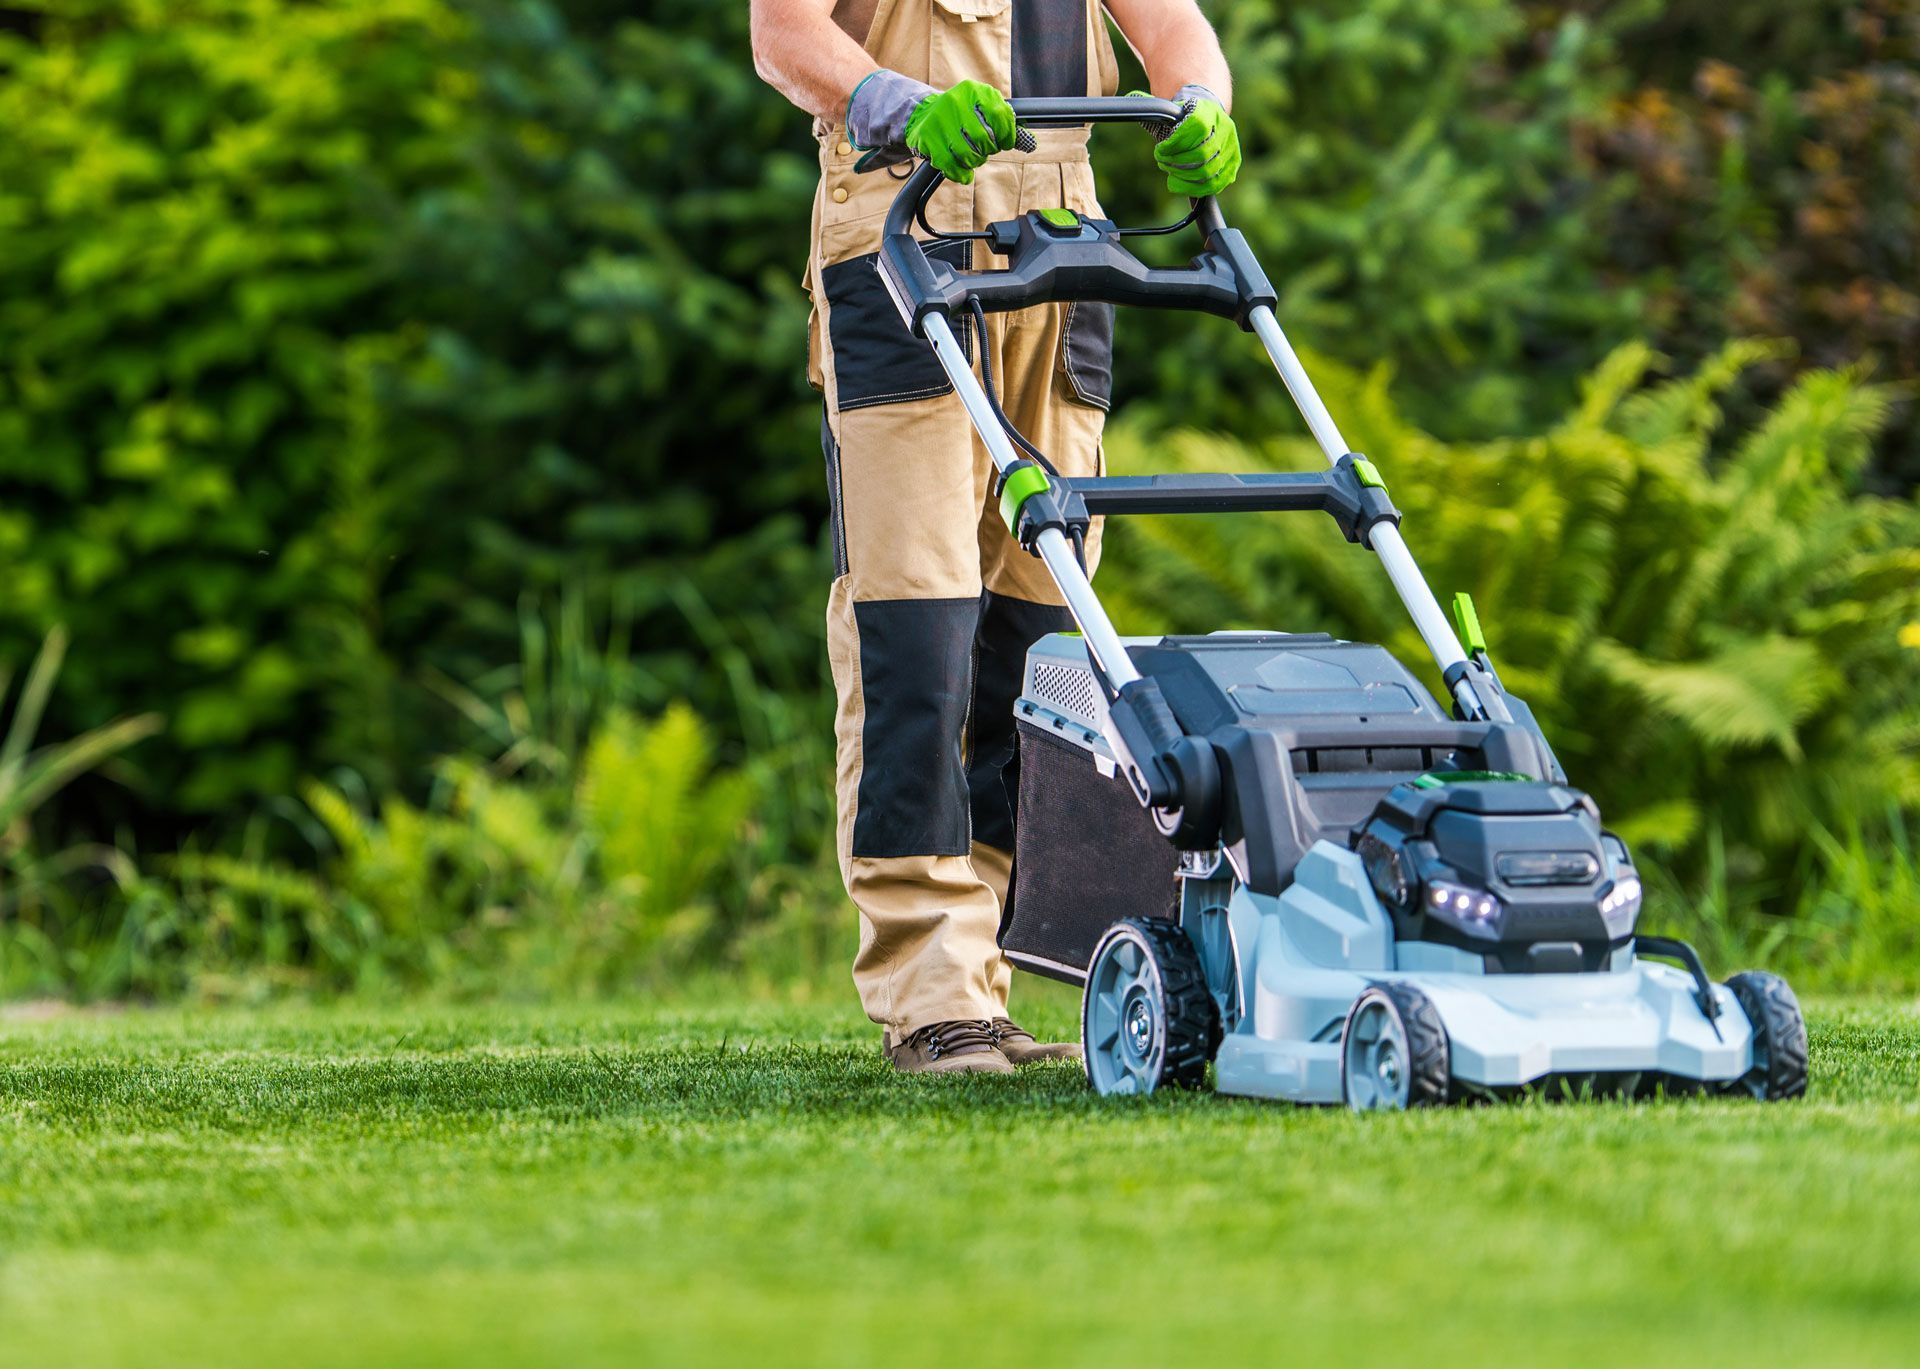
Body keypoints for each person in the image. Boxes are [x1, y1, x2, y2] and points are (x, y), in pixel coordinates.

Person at [750, 0, 1239, 1073]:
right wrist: (897, 104)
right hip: (899, 230)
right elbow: (781, 33)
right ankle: (931, 986)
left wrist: (1203, 102)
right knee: (915, 626)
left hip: (1059, 253)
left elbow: (1175, 30)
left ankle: (991, 979)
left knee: (1041, 637)